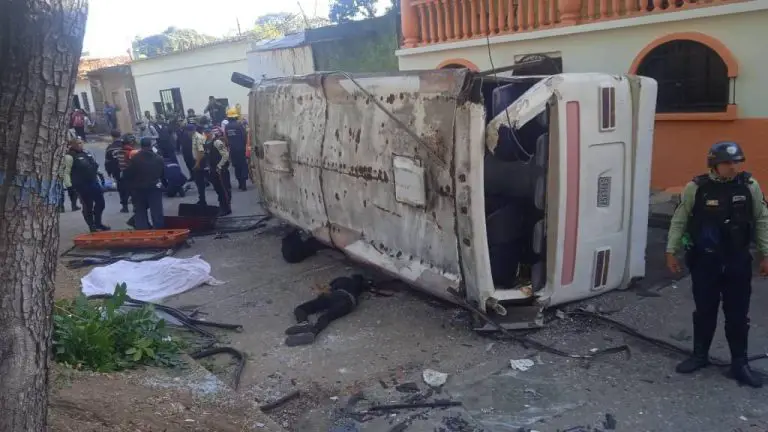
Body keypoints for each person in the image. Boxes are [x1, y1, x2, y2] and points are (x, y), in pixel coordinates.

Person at [666, 141, 768, 389]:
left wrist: (766, 252)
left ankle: (739, 364)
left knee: (737, 315)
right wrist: (671, 251)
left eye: (736, 162)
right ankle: (700, 356)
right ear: (714, 164)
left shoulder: (749, 186)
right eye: (727, 163)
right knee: (704, 311)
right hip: (705, 261)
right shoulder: (696, 188)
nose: (733, 167)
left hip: (737, 261)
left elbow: (762, 218)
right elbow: (680, 218)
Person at [284, 274, 371, 346]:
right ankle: (314, 331)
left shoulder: (341, 279)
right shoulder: (359, 289)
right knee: (326, 317)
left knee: (301, 308)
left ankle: (303, 322)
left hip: (335, 295)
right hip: (349, 302)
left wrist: (319, 296)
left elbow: (327, 290)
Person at [64, 137, 109, 232]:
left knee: (101, 203)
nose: (80, 145)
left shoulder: (87, 153)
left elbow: (94, 165)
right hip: (81, 185)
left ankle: (98, 223)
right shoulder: (70, 156)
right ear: (72, 145)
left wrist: (100, 175)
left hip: (93, 182)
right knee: (88, 206)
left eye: (81, 143)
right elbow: (66, 172)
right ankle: (92, 226)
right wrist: (70, 186)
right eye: (78, 143)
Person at [123, 137, 165, 230]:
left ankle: (143, 231)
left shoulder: (135, 159)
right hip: (154, 188)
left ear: (140, 146)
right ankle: (159, 232)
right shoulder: (158, 158)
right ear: (150, 146)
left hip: (139, 189)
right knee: (157, 211)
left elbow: (127, 175)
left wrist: (130, 188)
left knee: (140, 211)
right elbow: (163, 173)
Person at [205, 126, 232, 216]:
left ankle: (227, 208)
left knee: (224, 189)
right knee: (218, 189)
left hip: (221, 170)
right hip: (213, 170)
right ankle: (222, 205)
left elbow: (225, 155)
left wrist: (219, 166)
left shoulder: (217, 142)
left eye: (207, 133)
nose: (205, 134)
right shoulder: (207, 143)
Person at [104, 130, 133, 213]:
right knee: (131, 186)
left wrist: (109, 172)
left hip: (117, 171)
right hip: (128, 170)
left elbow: (107, 162)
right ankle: (135, 205)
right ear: (120, 135)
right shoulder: (126, 145)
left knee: (121, 188)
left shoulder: (110, 148)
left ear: (112, 137)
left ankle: (125, 207)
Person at [224, 108, 249, 191]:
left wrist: (229, 146)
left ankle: (240, 183)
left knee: (236, 166)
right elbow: (245, 136)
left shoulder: (227, 127)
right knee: (243, 166)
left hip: (233, 150)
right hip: (241, 149)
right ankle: (244, 184)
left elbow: (226, 139)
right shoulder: (239, 125)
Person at [192, 124, 209, 206]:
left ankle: (202, 200)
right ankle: (202, 199)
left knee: (200, 182)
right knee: (201, 181)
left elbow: (201, 152)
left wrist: (197, 163)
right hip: (203, 162)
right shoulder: (201, 137)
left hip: (200, 163)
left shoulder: (198, 138)